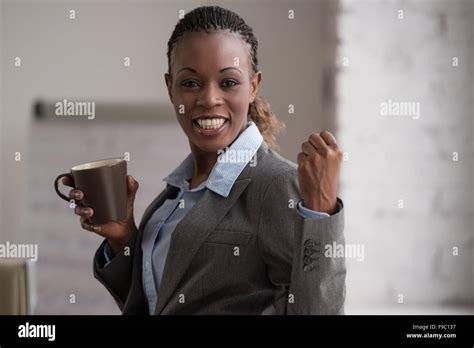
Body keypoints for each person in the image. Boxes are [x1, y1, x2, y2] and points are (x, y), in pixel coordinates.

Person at [62, 5, 345, 315]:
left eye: (228, 82)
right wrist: (124, 239)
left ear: (253, 86)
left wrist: (321, 212)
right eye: (190, 83)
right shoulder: (171, 197)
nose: (209, 99)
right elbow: (156, 302)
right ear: (170, 88)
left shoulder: (277, 184)